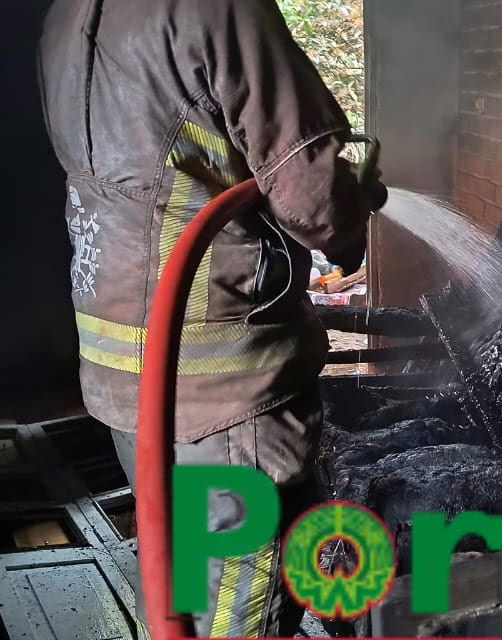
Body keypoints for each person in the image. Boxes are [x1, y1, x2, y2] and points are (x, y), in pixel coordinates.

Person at [37, 0, 386, 636]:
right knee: (236, 603)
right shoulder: (217, 6)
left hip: (125, 372)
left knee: (175, 575)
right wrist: (355, 210)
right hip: (223, 386)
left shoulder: (68, 13)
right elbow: (313, 196)